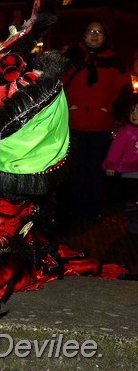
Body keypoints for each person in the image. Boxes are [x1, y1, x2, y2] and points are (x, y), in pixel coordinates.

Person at [61, 19, 132, 220]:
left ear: (105, 37)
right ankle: (74, 209)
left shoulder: (114, 60)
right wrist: (67, 106)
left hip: (100, 125)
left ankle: (91, 209)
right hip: (73, 124)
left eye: (99, 32)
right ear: (83, 35)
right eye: (90, 31)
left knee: (94, 168)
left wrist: (109, 107)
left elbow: (125, 91)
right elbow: (55, 85)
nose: (94, 35)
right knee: (75, 168)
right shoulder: (71, 57)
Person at [103, 94, 138, 235]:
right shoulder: (125, 132)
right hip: (129, 172)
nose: (135, 115)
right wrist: (111, 165)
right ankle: (133, 222)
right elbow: (115, 150)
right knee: (131, 198)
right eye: (132, 111)